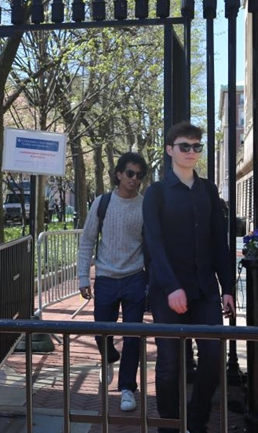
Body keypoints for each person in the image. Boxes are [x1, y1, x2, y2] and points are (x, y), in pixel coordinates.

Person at [143, 122, 234, 433]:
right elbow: (153, 243)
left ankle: (196, 421)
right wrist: (171, 287)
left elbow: (219, 241)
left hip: (206, 289)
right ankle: (169, 425)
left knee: (212, 357)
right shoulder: (155, 193)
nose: (192, 152)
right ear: (170, 150)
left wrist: (228, 288)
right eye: (185, 146)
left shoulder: (208, 190)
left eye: (197, 147)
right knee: (169, 364)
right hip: (168, 291)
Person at [77, 152, 148, 412]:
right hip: (106, 277)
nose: (135, 179)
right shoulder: (103, 203)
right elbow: (87, 240)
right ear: (119, 174)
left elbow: (151, 243)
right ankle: (108, 356)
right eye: (130, 173)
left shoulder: (144, 205)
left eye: (139, 175)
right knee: (102, 331)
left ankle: (127, 387)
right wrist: (84, 275)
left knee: (133, 336)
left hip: (134, 278)